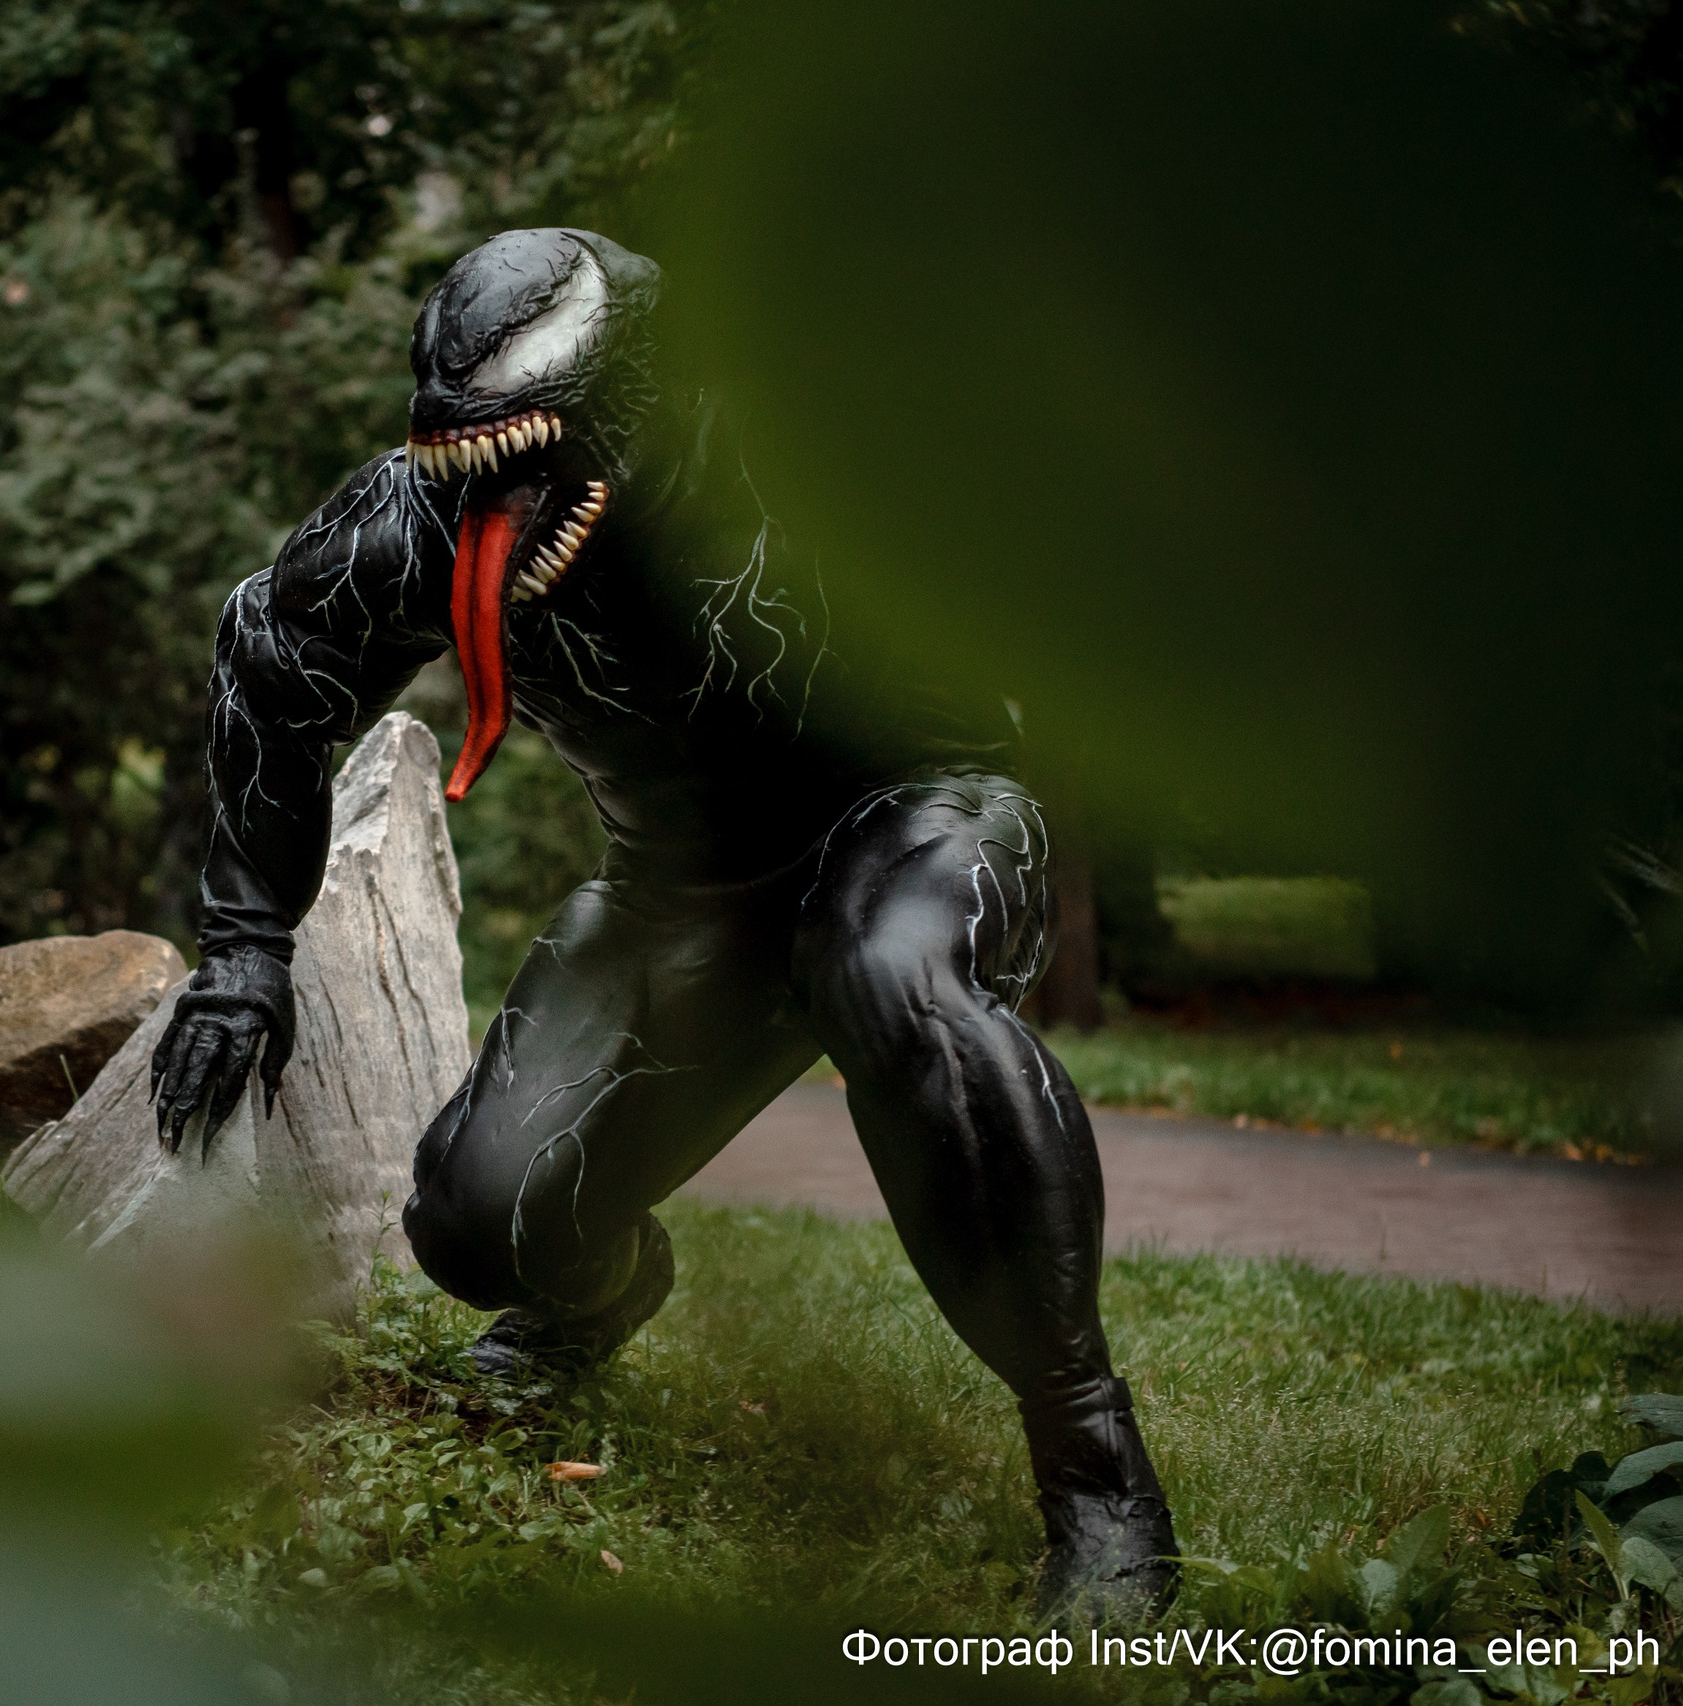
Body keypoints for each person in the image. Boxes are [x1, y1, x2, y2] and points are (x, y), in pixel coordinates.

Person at [146, 227, 1177, 1617]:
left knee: (887, 969)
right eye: (467, 453)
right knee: (472, 1219)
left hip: (919, 815)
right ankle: (592, 1293)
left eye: (531, 449)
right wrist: (245, 948)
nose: (495, 493)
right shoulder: (431, 516)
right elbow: (273, 657)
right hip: (683, 892)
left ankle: (1094, 1463)